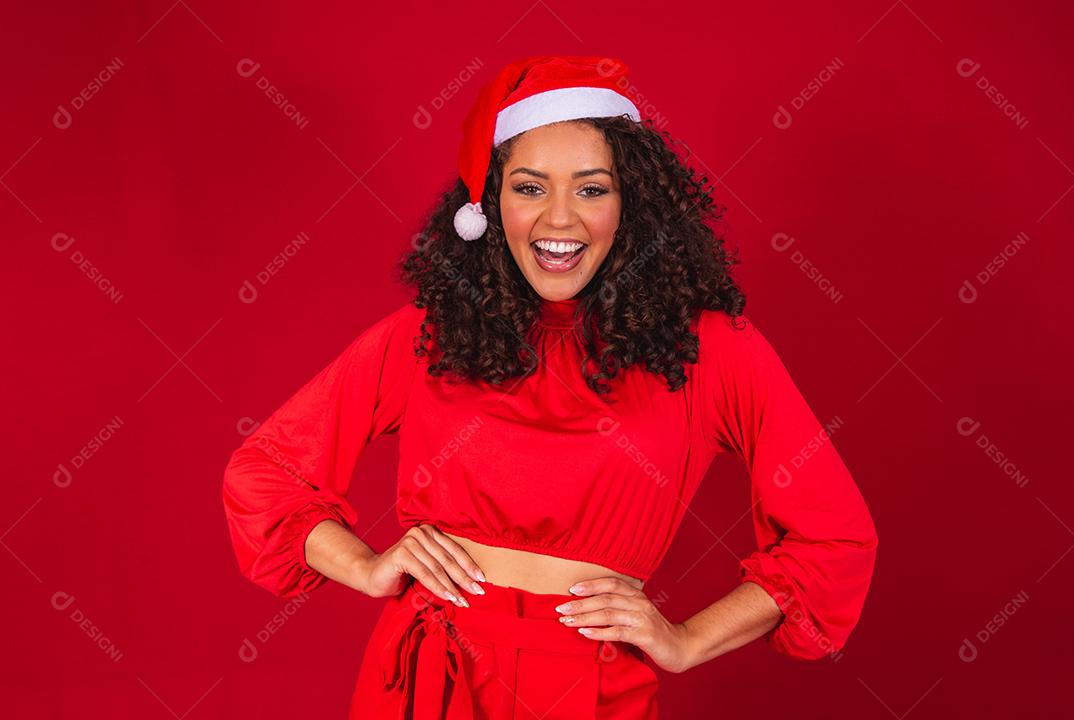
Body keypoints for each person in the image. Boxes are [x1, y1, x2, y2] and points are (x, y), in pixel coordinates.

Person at [222, 54, 879, 719]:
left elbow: (833, 543)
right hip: (427, 682)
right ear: (488, 202)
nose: (558, 220)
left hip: (591, 693)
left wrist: (685, 642)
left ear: (632, 205)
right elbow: (265, 475)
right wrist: (364, 567)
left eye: (592, 189)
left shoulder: (713, 351)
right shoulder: (427, 333)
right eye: (530, 188)